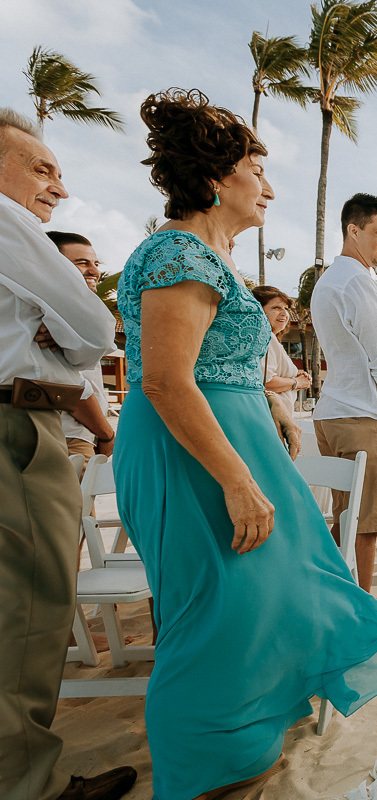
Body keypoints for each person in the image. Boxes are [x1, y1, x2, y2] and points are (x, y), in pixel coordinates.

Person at [113, 89, 377, 800]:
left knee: (256, 598)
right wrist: (236, 478)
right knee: (209, 613)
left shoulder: (202, 254)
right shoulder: (177, 252)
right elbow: (163, 379)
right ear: (220, 178)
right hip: (194, 453)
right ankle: (202, 774)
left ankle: (244, 739)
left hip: (233, 443)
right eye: (259, 170)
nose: (272, 188)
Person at [0, 108, 135, 800]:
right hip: (17, 427)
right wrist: (62, 333)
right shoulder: (7, 218)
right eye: (42, 167)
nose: (56, 185)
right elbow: (93, 330)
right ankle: (31, 787)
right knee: (29, 612)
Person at [311, 192, 377, 591]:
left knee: (345, 514)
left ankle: (339, 598)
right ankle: (362, 607)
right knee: (366, 522)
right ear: (353, 230)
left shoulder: (327, 282)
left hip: (332, 414)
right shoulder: (357, 281)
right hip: (363, 416)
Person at [47, 231, 116, 467]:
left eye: (95, 263)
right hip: (69, 437)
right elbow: (71, 387)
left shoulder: (70, 315)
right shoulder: (50, 317)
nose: (94, 271)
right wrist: (106, 433)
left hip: (78, 434)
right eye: (81, 263)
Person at [252, 285, 311, 418]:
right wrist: (296, 382)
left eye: (286, 308)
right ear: (259, 310)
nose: (285, 313)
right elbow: (265, 382)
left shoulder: (269, 338)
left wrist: (294, 377)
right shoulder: (266, 337)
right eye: (276, 308)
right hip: (271, 417)